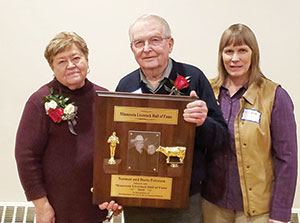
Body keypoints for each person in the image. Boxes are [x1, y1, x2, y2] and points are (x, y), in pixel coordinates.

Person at [116, 14, 229, 223]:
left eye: (155, 40)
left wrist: (202, 123)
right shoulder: (125, 86)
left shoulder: (193, 78)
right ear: (132, 49)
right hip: (138, 198)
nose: (147, 48)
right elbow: (119, 142)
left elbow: (221, 137)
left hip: (184, 198)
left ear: (170, 44)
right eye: (139, 43)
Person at [15, 32, 122, 223]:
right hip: (57, 209)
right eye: (62, 61)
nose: (71, 65)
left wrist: (115, 193)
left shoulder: (105, 98)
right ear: (52, 66)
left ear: (87, 59)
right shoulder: (39, 101)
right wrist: (41, 206)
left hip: (94, 206)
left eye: (76, 58)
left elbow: (116, 148)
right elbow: (26, 156)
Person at [202, 23, 298, 223]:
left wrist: (280, 213)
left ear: (254, 54)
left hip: (257, 212)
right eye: (228, 51)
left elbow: (287, 159)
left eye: (242, 50)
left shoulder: (275, 96)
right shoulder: (208, 91)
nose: (235, 58)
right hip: (212, 205)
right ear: (221, 55)